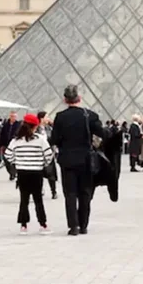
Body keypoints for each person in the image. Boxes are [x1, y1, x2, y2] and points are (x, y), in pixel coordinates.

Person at [50, 85, 107, 236]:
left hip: (67, 160)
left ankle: (73, 226)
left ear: (65, 100)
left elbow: (54, 139)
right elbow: (103, 133)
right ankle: (83, 225)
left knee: (70, 194)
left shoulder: (60, 117)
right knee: (85, 193)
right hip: (86, 160)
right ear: (79, 99)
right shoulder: (90, 115)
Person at [4, 114, 54, 235]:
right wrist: (42, 163)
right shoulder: (40, 139)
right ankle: (43, 224)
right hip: (36, 172)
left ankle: (23, 225)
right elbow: (49, 155)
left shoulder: (16, 140)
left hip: (22, 173)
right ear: (35, 126)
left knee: (24, 199)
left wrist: (17, 162)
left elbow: (7, 155)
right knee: (38, 200)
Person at [0, 112, 21, 181]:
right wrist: (1, 144)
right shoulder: (5, 125)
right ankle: (11, 173)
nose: (13, 118)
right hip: (6, 144)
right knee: (6, 159)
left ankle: (13, 173)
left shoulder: (19, 125)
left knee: (14, 159)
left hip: (15, 144)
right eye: (12, 116)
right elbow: (2, 135)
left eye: (14, 116)